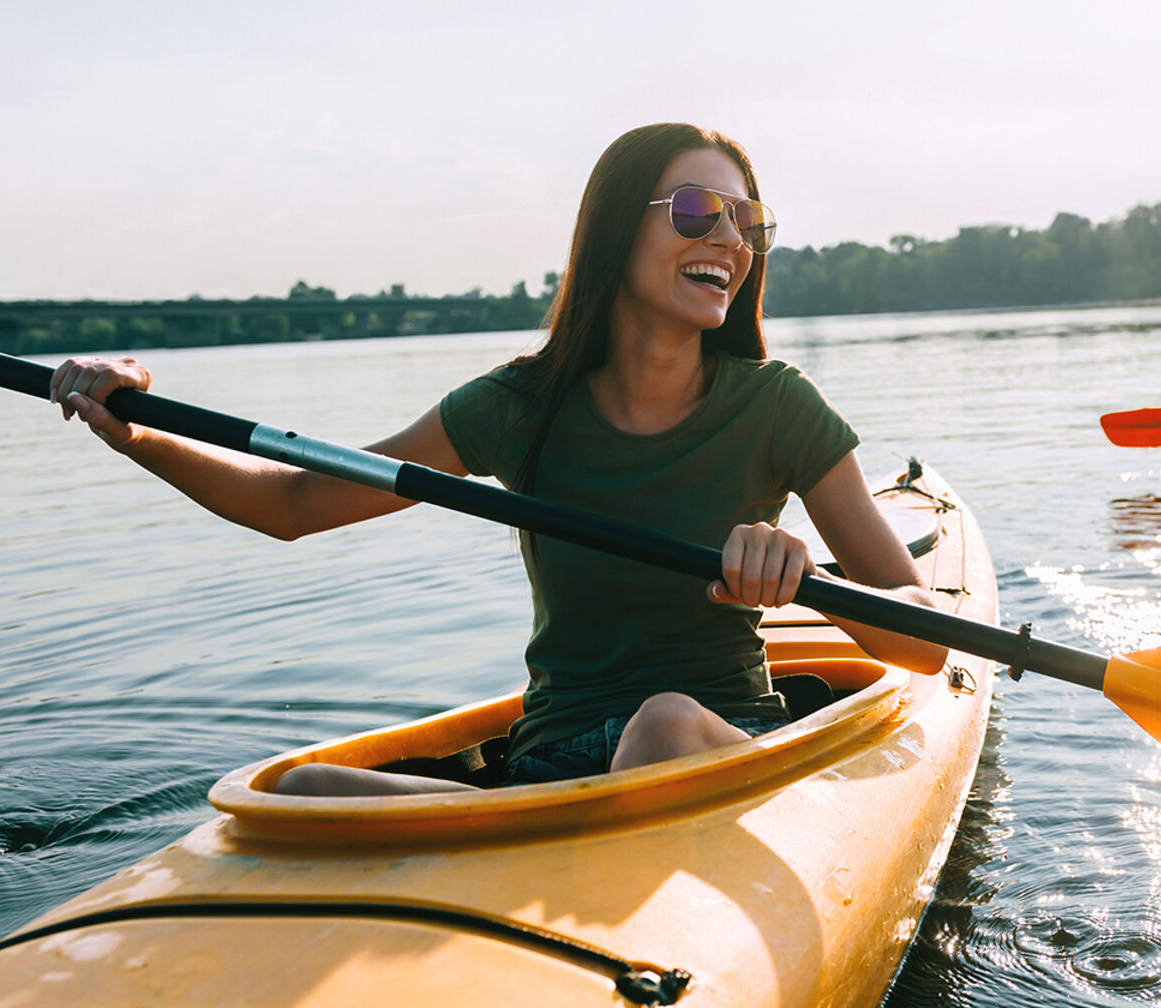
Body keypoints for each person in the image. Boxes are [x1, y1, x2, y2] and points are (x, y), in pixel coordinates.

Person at [48, 123, 948, 794]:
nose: (730, 239)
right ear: (613, 230)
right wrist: (137, 429)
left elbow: (920, 642)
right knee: (296, 787)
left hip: (712, 742)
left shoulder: (777, 406)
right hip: (549, 764)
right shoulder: (520, 406)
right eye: (695, 211)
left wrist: (800, 577)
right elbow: (292, 503)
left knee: (663, 723)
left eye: (748, 221)